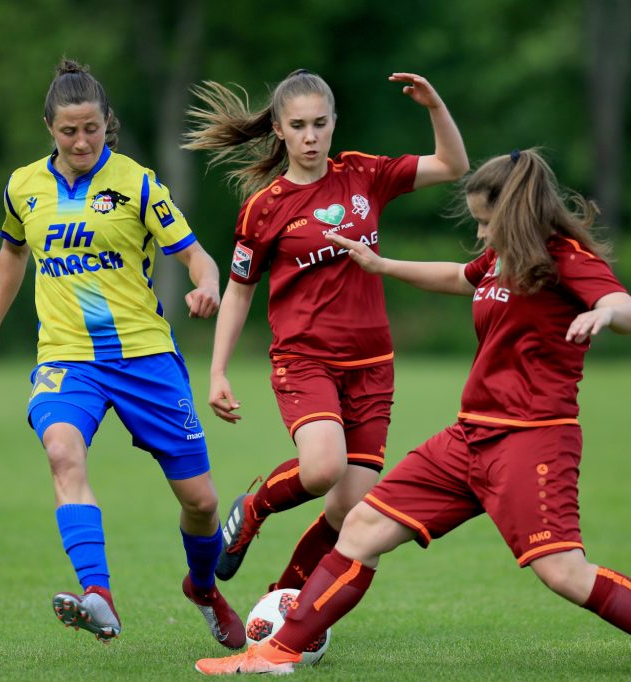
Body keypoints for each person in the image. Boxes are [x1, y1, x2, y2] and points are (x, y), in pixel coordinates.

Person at [193, 149, 631, 679]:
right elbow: (459, 277)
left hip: (531, 442)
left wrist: (605, 314)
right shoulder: (502, 257)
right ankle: (276, 654)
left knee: (563, 572)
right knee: (361, 525)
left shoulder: (563, 256)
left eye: (484, 221)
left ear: (514, 212)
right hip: (468, 438)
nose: (479, 232)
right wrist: (382, 266)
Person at [0, 58, 245, 649]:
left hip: (144, 357)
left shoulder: (137, 183)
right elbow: (13, 251)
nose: (81, 141)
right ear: (49, 127)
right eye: (69, 131)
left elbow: (195, 255)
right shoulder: (22, 187)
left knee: (201, 502)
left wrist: (208, 285)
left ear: (107, 122)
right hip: (67, 358)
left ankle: (203, 588)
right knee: (61, 452)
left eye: (91, 128)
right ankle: (99, 595)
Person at [181, 69, 469, 591]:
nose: (310, 136)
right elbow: (240, 291)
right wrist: (218, 371)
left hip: (372, 366)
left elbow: (453, 165)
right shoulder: (264, 207)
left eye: (320, 123)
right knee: (320, 468)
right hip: (305, 360)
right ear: (279, 129)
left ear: (335, 122)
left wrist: (434, 105)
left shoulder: (364, 174)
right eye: (298, 126)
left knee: (349, 508)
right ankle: (254, 509)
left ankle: (287, 599)